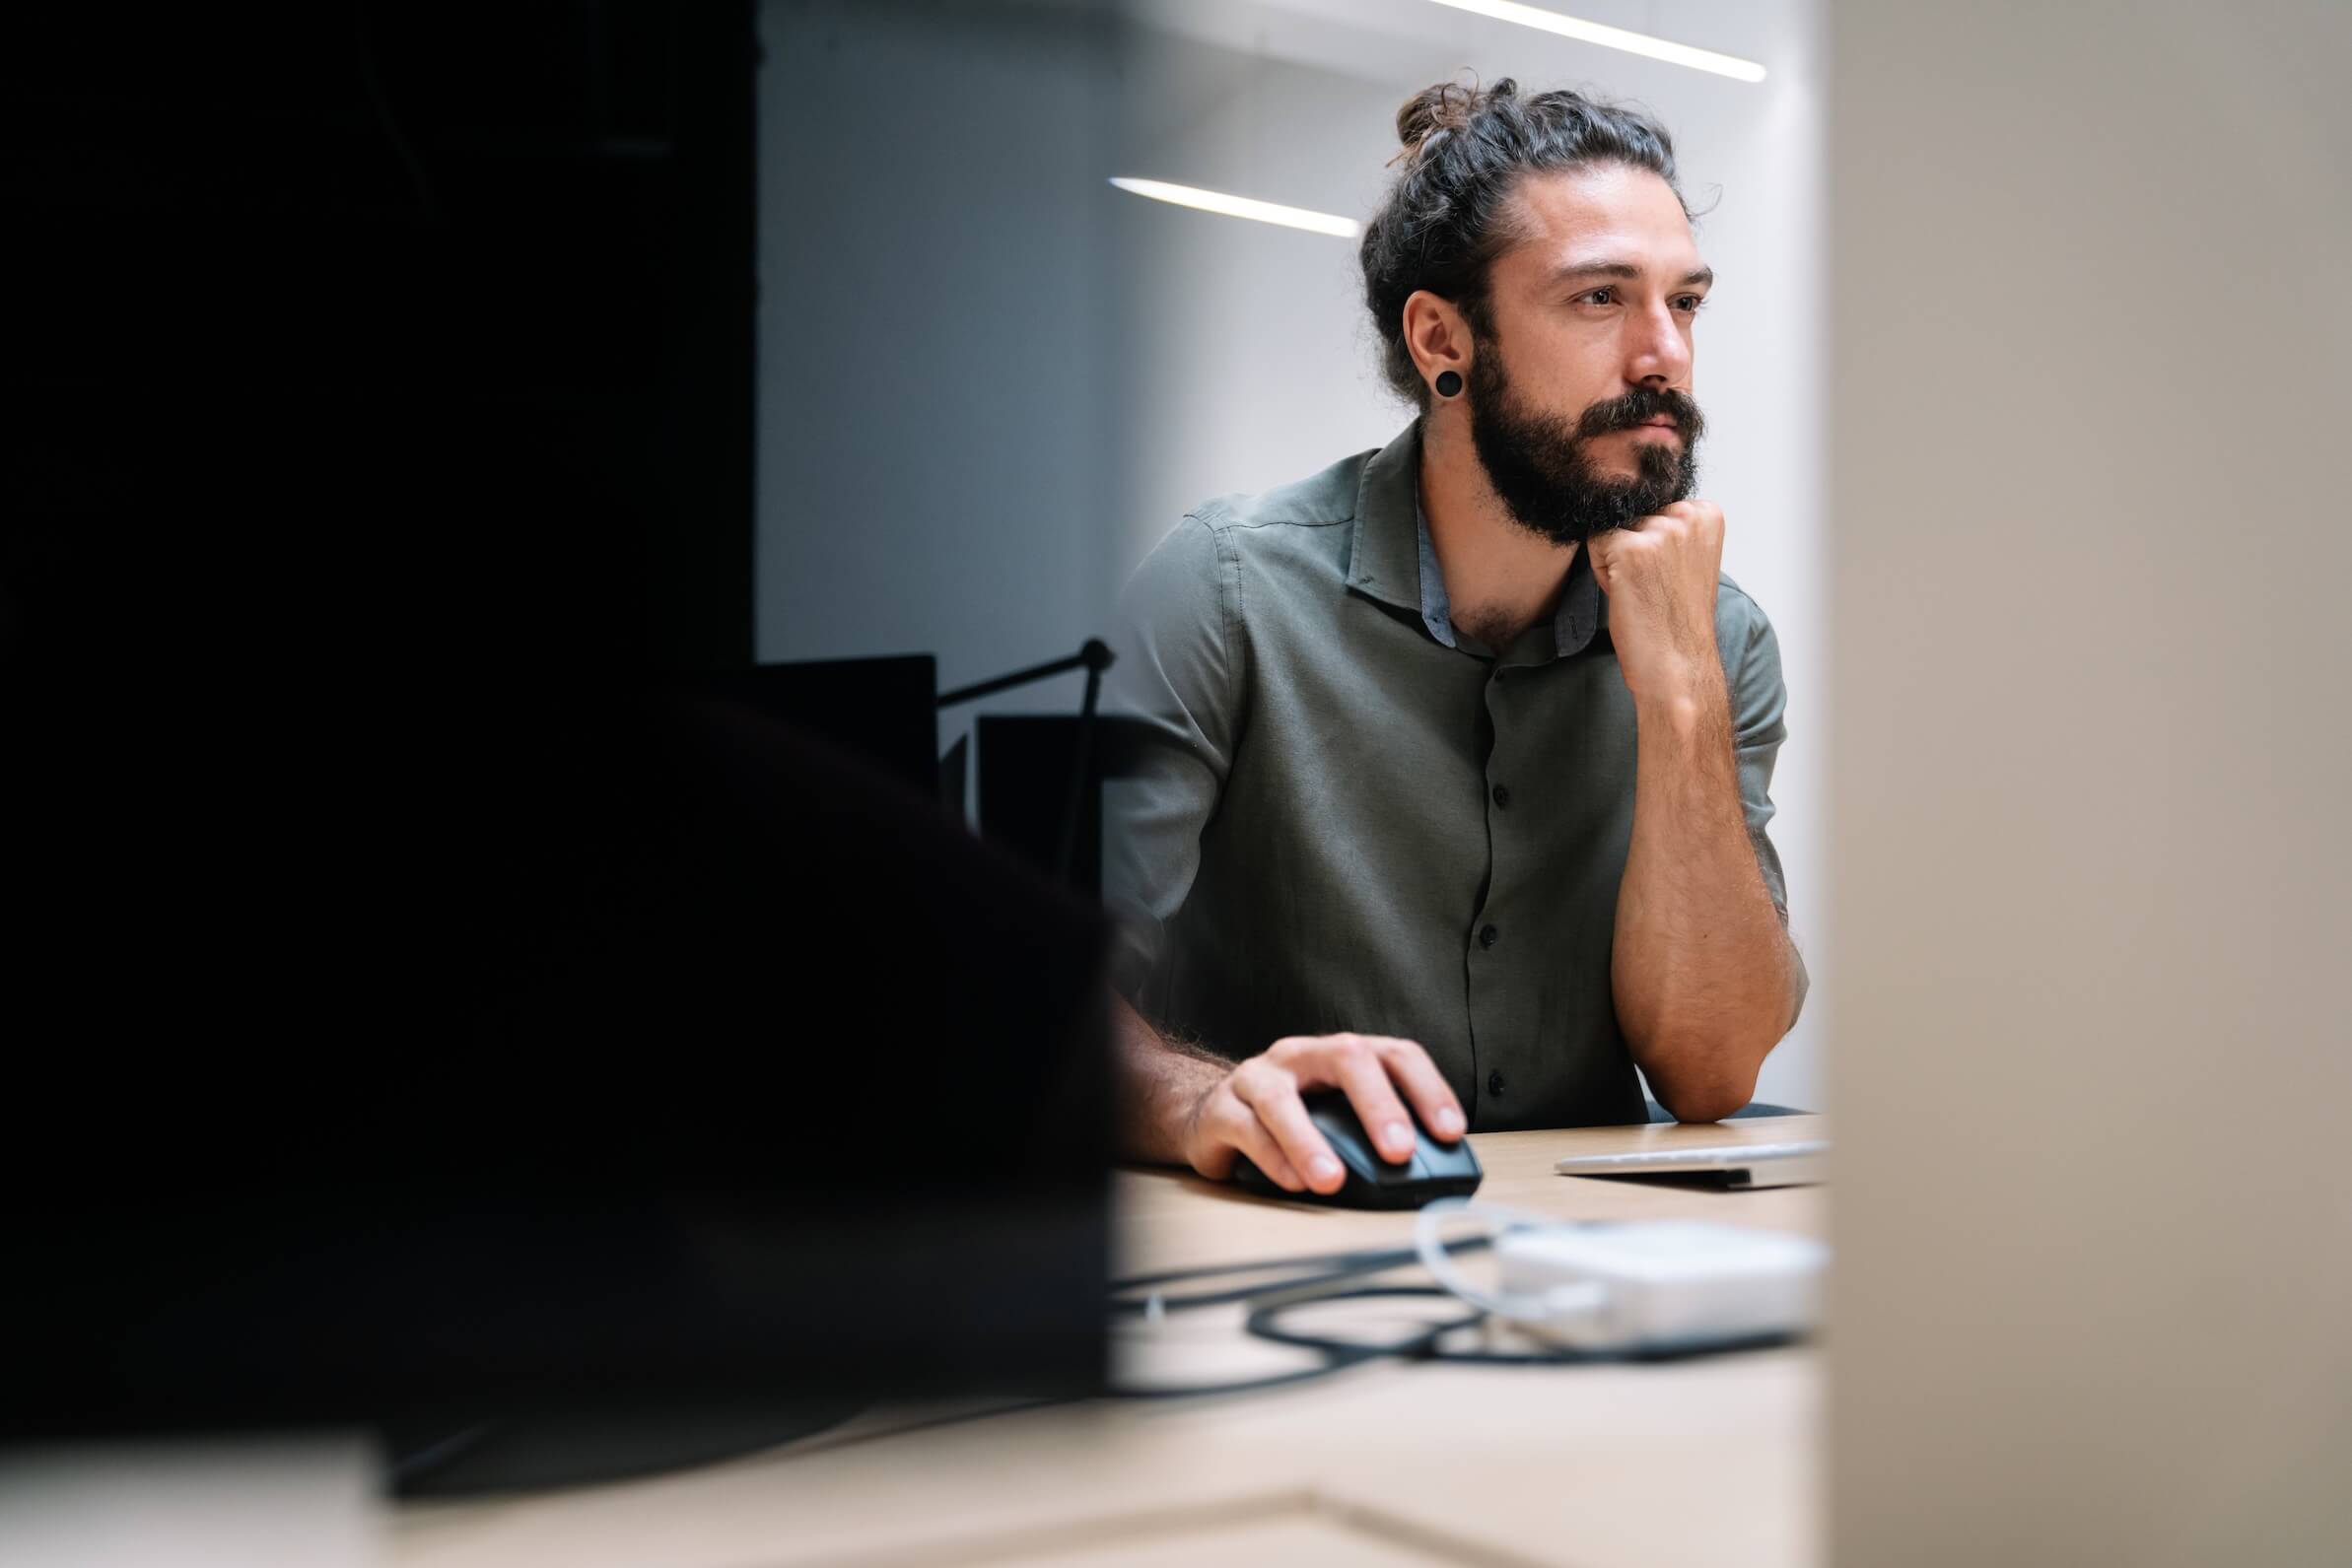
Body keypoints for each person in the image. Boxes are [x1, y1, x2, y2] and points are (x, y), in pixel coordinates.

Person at [1106, 79, 1807, 1196]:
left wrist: (1680, 701)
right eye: (1597, 301)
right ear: (1443, 338)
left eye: (1686, 303)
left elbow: (1710, 1068)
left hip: (1588, 1250)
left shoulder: (1719, 636)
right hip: (1289, 1225)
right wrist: (1200, 1098)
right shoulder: (1226, 589)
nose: (1662, 354)